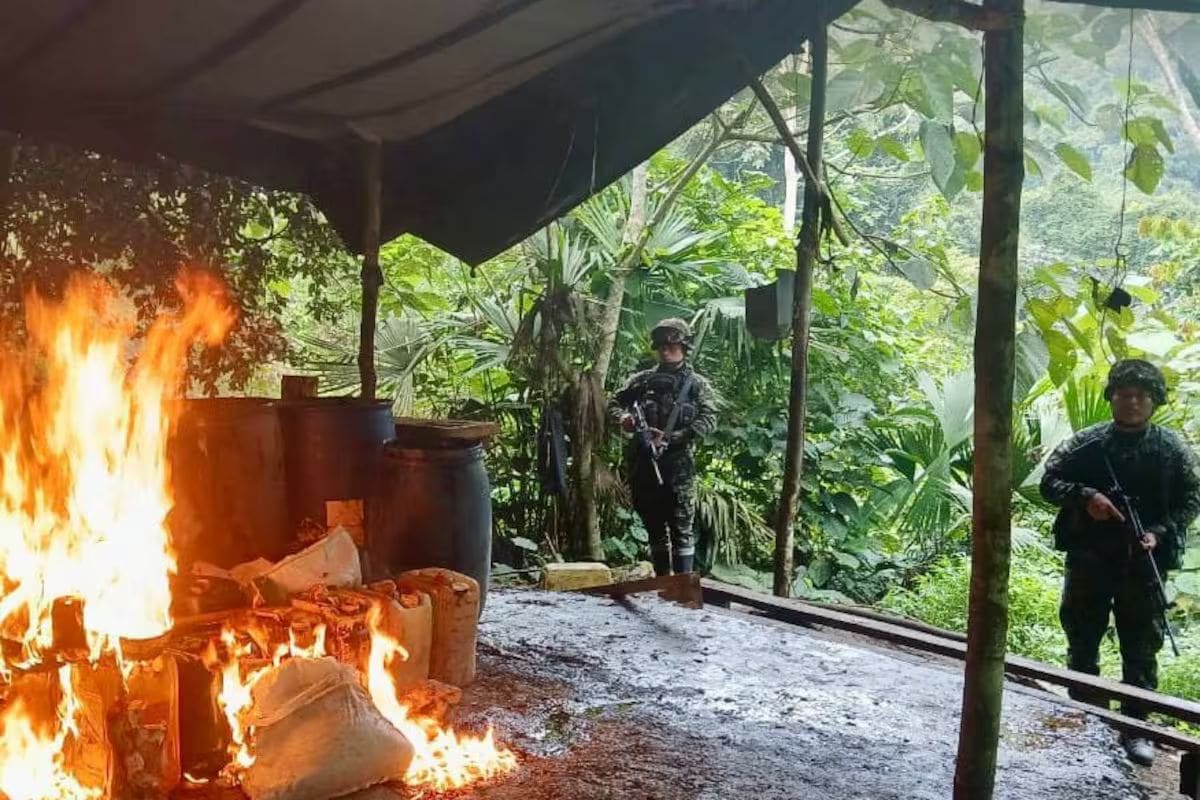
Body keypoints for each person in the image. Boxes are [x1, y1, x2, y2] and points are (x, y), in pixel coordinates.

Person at [1040, 359, 1200, 767]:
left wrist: (1158, 533)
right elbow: (1049, 482)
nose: (1132, 402)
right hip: (1090, 559)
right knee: (1082, 638)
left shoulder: (1171, 449)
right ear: (1111, 397)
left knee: (1141, 647)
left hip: (1142, 562)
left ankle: (1136, 729)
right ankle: (1089, 719)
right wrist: (1085, 496)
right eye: (1124, 394)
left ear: (1154, 402)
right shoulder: (1087, 443)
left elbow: (1190, 500)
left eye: (1141, 396)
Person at [609, 318, 717, 576]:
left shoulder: (696, 384)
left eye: (672, 345)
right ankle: (662, 585)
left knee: (681, 528)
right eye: (661, 346)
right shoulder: (643, 381)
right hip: (645, 464)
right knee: (654, 528)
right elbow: (613, 403)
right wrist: (624, 419)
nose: (665, 350)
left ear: (684, 346)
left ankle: (683, 589)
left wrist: (675, 437)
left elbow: (709, 418)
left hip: (677, 465)